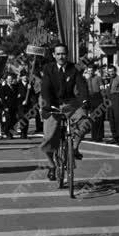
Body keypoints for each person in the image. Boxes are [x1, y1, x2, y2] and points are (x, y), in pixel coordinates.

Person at [40, 43, 89, 181]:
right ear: (54, 55)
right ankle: (52, 165)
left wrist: (84, 100)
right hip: (52, 105)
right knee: (48, 139)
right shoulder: (48, 68)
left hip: (70, 104)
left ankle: (73, 148)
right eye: (58, 54)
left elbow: (81, 85)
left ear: (67, 55)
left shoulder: (74, 69)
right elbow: (45, 88)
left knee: (85, 122)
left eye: (64, 54)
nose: (61, 56)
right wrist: (47, 105)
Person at [85, 65, 105, 142]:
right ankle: (94, 136)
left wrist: (104, 98)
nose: (90, 72)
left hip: (98, 97)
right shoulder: (88, 80)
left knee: (99, 117)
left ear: (94, 71)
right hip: (91, 98)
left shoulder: (98, 78)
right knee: (93, 118)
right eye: (89, 71)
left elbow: (102, 88)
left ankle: (99, 136)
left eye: (91, 70)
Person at [15, 70, 33, 139]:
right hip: (20, 105)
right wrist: (20, 100)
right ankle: (22, 133)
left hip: (28, 105)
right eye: (23, 76)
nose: (25, 77)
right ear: (21, 77)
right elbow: (16, 95)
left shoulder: (29, 84)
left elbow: (33, 95)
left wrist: (30, 89)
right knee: (22, 118)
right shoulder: (18, 85)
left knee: (26, 119)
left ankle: (25, 133)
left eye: (26, 76)